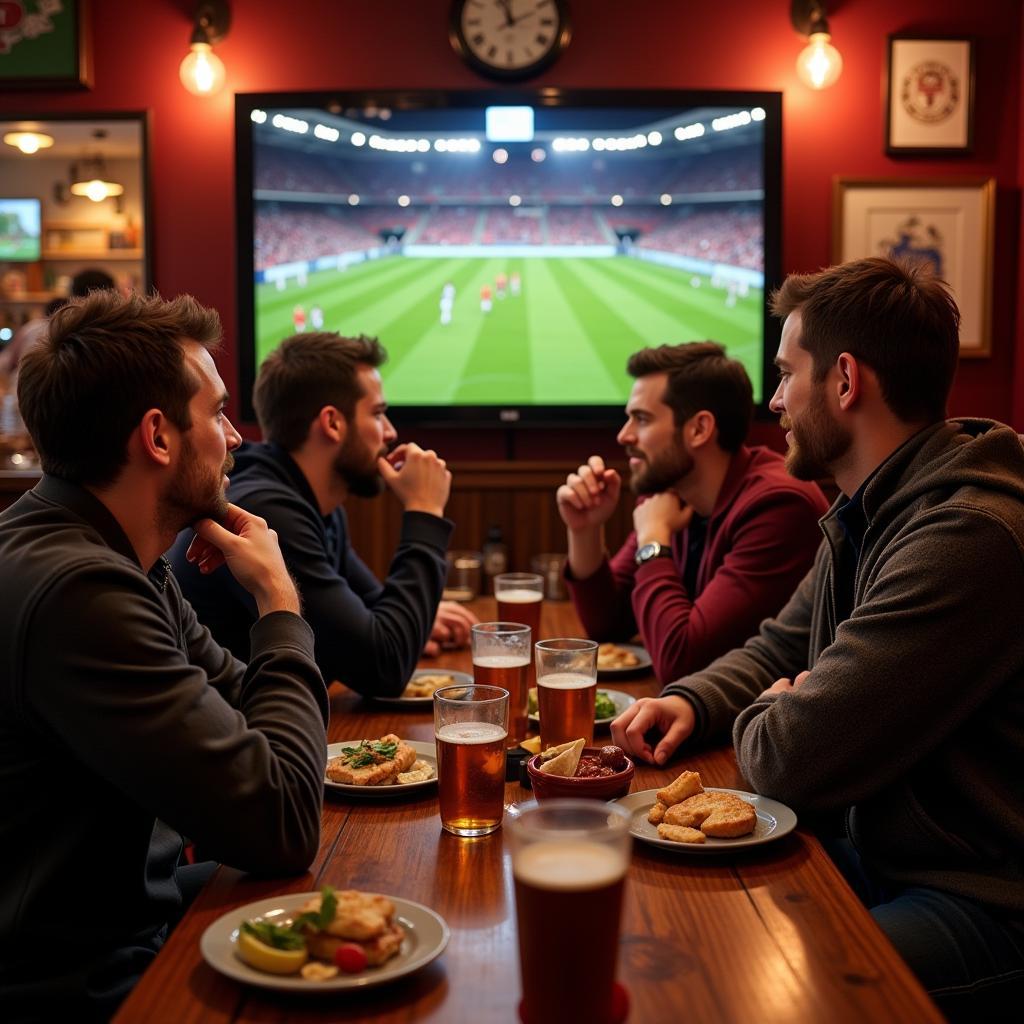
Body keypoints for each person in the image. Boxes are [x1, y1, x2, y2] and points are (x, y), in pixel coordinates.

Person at [612, 257, 1024, 1019]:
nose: (773, 403)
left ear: (843, 381)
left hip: (979, 898)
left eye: (784, 375)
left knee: (743, 991)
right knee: (664, 915)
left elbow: (790, 757)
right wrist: (692, 701)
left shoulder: (966, 536)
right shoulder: (865, 508)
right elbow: (779, 648)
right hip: (879, 852)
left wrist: (779, 712)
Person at [0, 291, 327, 1021]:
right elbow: (280, 821)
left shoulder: (116, 557)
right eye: (216, 413)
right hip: (72, 984)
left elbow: (250, 715)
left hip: (120, 919)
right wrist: (277, 598)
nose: (237, 437)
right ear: (158, 436)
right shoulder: (80, 592)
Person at [169, 331, 476, 698]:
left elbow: (373, 620)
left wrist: (415, 621)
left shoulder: (309, 502)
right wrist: (424, 511)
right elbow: (385, 666)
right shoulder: (267, 512)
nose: (390, 432)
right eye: (378, 414)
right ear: (332, 423)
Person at [557, 341, 828, 683]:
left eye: (641, 419)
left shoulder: (779, 506)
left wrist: (654, 539)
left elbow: (683, 662)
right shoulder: (672, 492)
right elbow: (608, 624)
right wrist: (584, 530)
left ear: (699, 429)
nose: (623, 435)